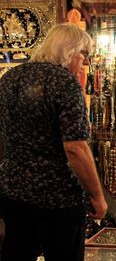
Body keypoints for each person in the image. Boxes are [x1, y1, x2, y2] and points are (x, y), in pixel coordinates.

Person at [0, 23, 108, 261]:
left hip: (13, 192)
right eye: (84, 54)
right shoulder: (64, 83)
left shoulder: (9, 79)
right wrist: (97, 196)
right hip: (57, 198)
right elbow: (76, 149)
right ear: (69, 51)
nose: (86, 62)